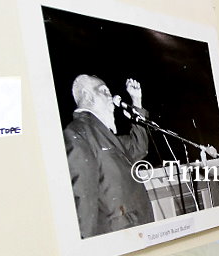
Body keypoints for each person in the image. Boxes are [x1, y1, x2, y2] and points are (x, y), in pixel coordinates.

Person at [63, 75, 154, 238]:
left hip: (138, 229)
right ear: (87, 95)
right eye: (104, 91)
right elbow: (83, 201)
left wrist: (137, 101)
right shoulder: (77, 133)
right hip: (118, 236)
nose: (110, 97)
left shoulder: (106, 134)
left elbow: (139, 147)